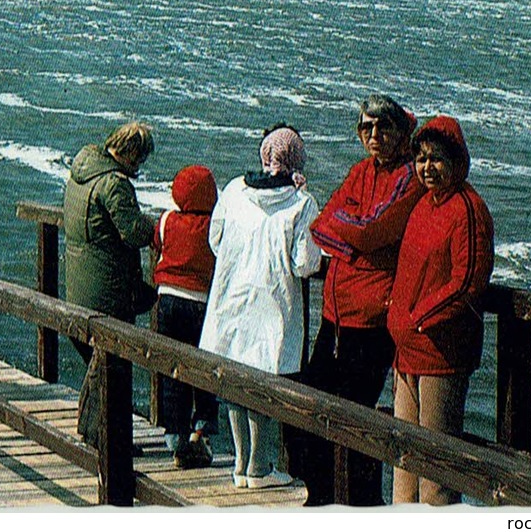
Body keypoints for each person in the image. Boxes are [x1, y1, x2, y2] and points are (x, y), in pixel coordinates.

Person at [290, 93, 423, 506]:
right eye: (367, 128)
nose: (375, 135)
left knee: (356, 419)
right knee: (310, 409)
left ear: (403, 134)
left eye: (385, 127)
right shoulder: (360, 171)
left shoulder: (410, 179)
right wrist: (356, 233)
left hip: (371, 319)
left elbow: (371, 231)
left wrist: (352, 231)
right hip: (335, 315)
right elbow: (321, 225)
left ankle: (359, 505)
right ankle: (321, 496)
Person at [199, 124, 322, 490]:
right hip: (274, 303)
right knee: (265, 388)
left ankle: (240, 464)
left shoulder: (236, 189)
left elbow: (215, 239)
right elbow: (305, 263)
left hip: (233, 298)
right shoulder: (301, 203)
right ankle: (261, 467)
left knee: (235, 384)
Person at [387, 115, 494, 505]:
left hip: (441, 354)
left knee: (436, 471)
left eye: (436, 159)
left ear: (456, 162)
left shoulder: (468, 208)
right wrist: (395, 316)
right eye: (421, 159)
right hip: (406, 352)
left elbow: (467, 281)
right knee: (404, 461)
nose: (427, 167)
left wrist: (417, 321)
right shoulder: (422, 206)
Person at [63, 121, 156, 446]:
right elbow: (133, 232)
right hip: (107, 290)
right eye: (140, 159)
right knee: (113, 366)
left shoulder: (82, 171)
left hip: (79, 286)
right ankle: (112, 443)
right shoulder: (114, 184)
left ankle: (94, 433)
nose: (139, 166)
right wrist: (159, 226)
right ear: (130, 152)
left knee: (98, 364)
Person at [151, 164, 220, 468]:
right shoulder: (215, 226)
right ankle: (201, 431)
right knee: (203, 369)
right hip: (202, 303)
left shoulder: (167, 220)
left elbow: (157, 242)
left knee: (171, 369)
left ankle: (174, 435)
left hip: (167, 299)